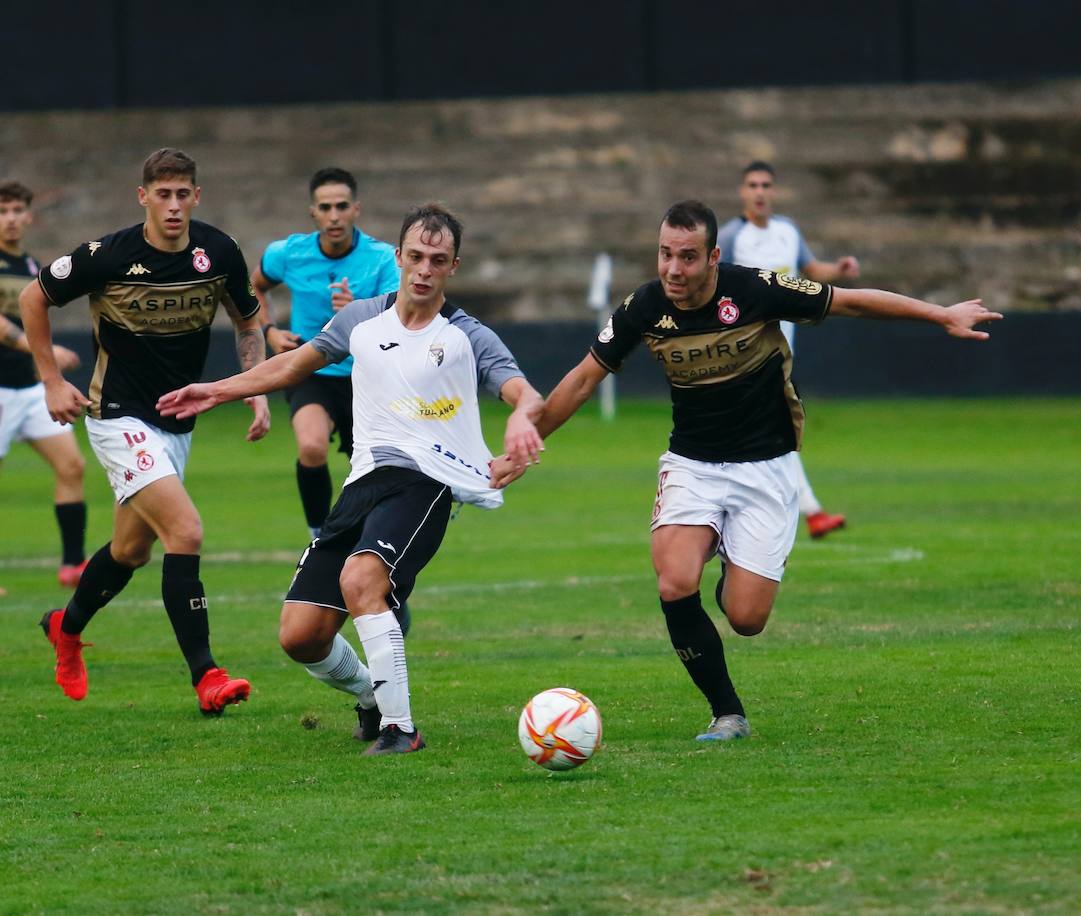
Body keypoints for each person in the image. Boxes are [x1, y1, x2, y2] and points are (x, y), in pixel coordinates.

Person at [526, 200, 1000, 742]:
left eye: (686, 257)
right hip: (692, 464)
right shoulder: (644, 307)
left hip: (767, 469)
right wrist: (527, 443)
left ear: (712, 257)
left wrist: (940, 315)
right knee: (675, 580)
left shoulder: (753, 289)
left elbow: (851, 303)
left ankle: (731, 563)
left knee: (747, 618)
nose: (673, 270)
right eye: (664, 255)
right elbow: (584, 379)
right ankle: (726, 712)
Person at [158, 203, 545, 755]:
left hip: (426, 483)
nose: (424, 269)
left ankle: (400, 728)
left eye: (438, 260)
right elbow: (292, 366)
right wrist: (217, 390)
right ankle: (371, 696)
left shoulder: (466, 334)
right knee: (301, 636)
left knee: (362, 581)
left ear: (453, 266)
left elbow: (521, 390)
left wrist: (522, 420)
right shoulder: (362, 319)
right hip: (362, 483)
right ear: (399, 257)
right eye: (415, 256)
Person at [19, 148, 271, 716]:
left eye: (184, 194)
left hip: (177, 420)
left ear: (197, 197)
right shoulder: (108, 255)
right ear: (143, 198)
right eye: (163, 194)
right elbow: (32, 296)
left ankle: (65, 626)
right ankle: (207, 675)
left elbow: (248, 320)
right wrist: (51, 380)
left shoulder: (220, 251)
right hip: (117, 417)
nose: (174, 206)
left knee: (131, 551)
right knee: (185, 531)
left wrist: (252, 388)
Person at [0, 181, 87, 597]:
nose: (10, 218)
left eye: (17, 210)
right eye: (2, 211)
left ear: (29, 216)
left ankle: (73, 565)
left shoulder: (31, 266)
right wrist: (45, 350)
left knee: (72, 467)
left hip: (30, 389)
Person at [252, 167, 400, 541]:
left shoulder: (382, 258)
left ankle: (374, 549)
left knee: (369, 469)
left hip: (367, 377)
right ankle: (319, 536)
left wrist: (358, 310)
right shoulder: (288, 253)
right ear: (313, 213)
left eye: (342, 206)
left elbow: (402, 319)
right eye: (325, 207)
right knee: (312, 445)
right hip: (312, 369)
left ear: (356, 210)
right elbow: (253, 287)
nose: (334, 216)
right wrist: (269, 331)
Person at [717, 161, 861, 539]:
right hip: (745, 356)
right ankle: (807, 512)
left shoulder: (788, 231)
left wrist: (839, 269)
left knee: (769, 435)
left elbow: (811, 270)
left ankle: (796, 511)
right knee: (778, 431)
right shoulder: (733, 236)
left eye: (766, 184)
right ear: (742, 192)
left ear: (774, 191)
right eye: (752, 184)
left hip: (780, 354)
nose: (760, 191)